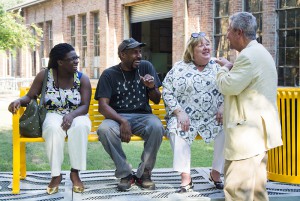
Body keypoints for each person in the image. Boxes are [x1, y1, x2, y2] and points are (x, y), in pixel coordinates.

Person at [215, 12, 282, 201]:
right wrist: (231, 65)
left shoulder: (248, 57)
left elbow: (227, 86)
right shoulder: (259, 52)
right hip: (259, 136)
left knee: (237, 192)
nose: (226, 35)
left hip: (245, 138)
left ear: (239, 32)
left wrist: (223, 68)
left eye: (228, 30)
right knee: (257, 194)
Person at [8, 43, 92, 195]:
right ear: (60, 62)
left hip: (77, 114)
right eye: (72, 59)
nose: (76, 61)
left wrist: (71, 115)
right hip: (52, 113)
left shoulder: (82, 78)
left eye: (77, 58)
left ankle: (75, 173)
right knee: (53, 129)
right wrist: (19, 101)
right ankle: (56, 175)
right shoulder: (45, 76)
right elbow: (30, 95)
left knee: (80, 127)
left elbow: (85, 106)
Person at [95, 38, 164, 191]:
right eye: (134, 52)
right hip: (116, 117)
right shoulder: (109, 74)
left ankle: (144, 174)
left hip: (143, 116)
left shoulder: (146, 67)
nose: (139, 56)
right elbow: (103, 106)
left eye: (140, 52)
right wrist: (122, 121)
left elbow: (157, 100)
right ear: (122, 55)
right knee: (104, 130)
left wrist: (151, 87)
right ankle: (125, 174)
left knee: (157, 127)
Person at [162, 32, 225, 193]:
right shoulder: (179, 68)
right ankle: (186, 178)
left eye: (208, 44)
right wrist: (179, 112)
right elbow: (167, 91)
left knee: (228, 127)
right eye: (201, 45)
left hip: (212, 117)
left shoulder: (218, 67)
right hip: (186, 117)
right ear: (192, 50)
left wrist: (224, 106)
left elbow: (230, 88)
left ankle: (216, 173)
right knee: (176, 127)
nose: (206, 47)